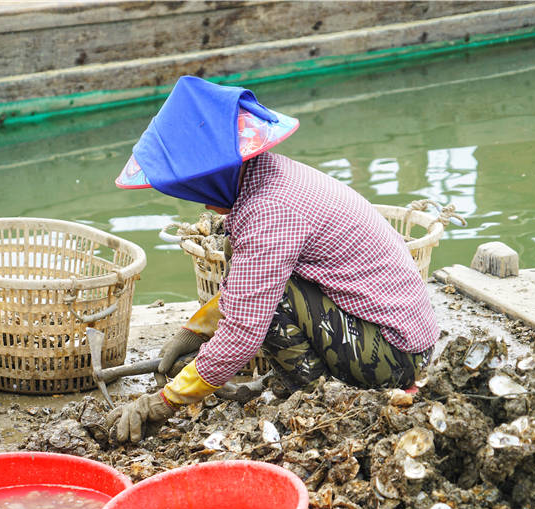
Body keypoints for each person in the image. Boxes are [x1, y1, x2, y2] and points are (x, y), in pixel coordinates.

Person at [106, 76, 438, 443]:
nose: (199, 202)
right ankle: (307, 384)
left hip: (396, 354)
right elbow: (251, 285)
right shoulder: (267, 175)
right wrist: (194, 332)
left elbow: (244, 329)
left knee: (269, 306)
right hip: (393, 334)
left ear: (214, 174)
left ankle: (319, 397)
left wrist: (164, 402)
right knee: (264, 292)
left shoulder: (269, 211)